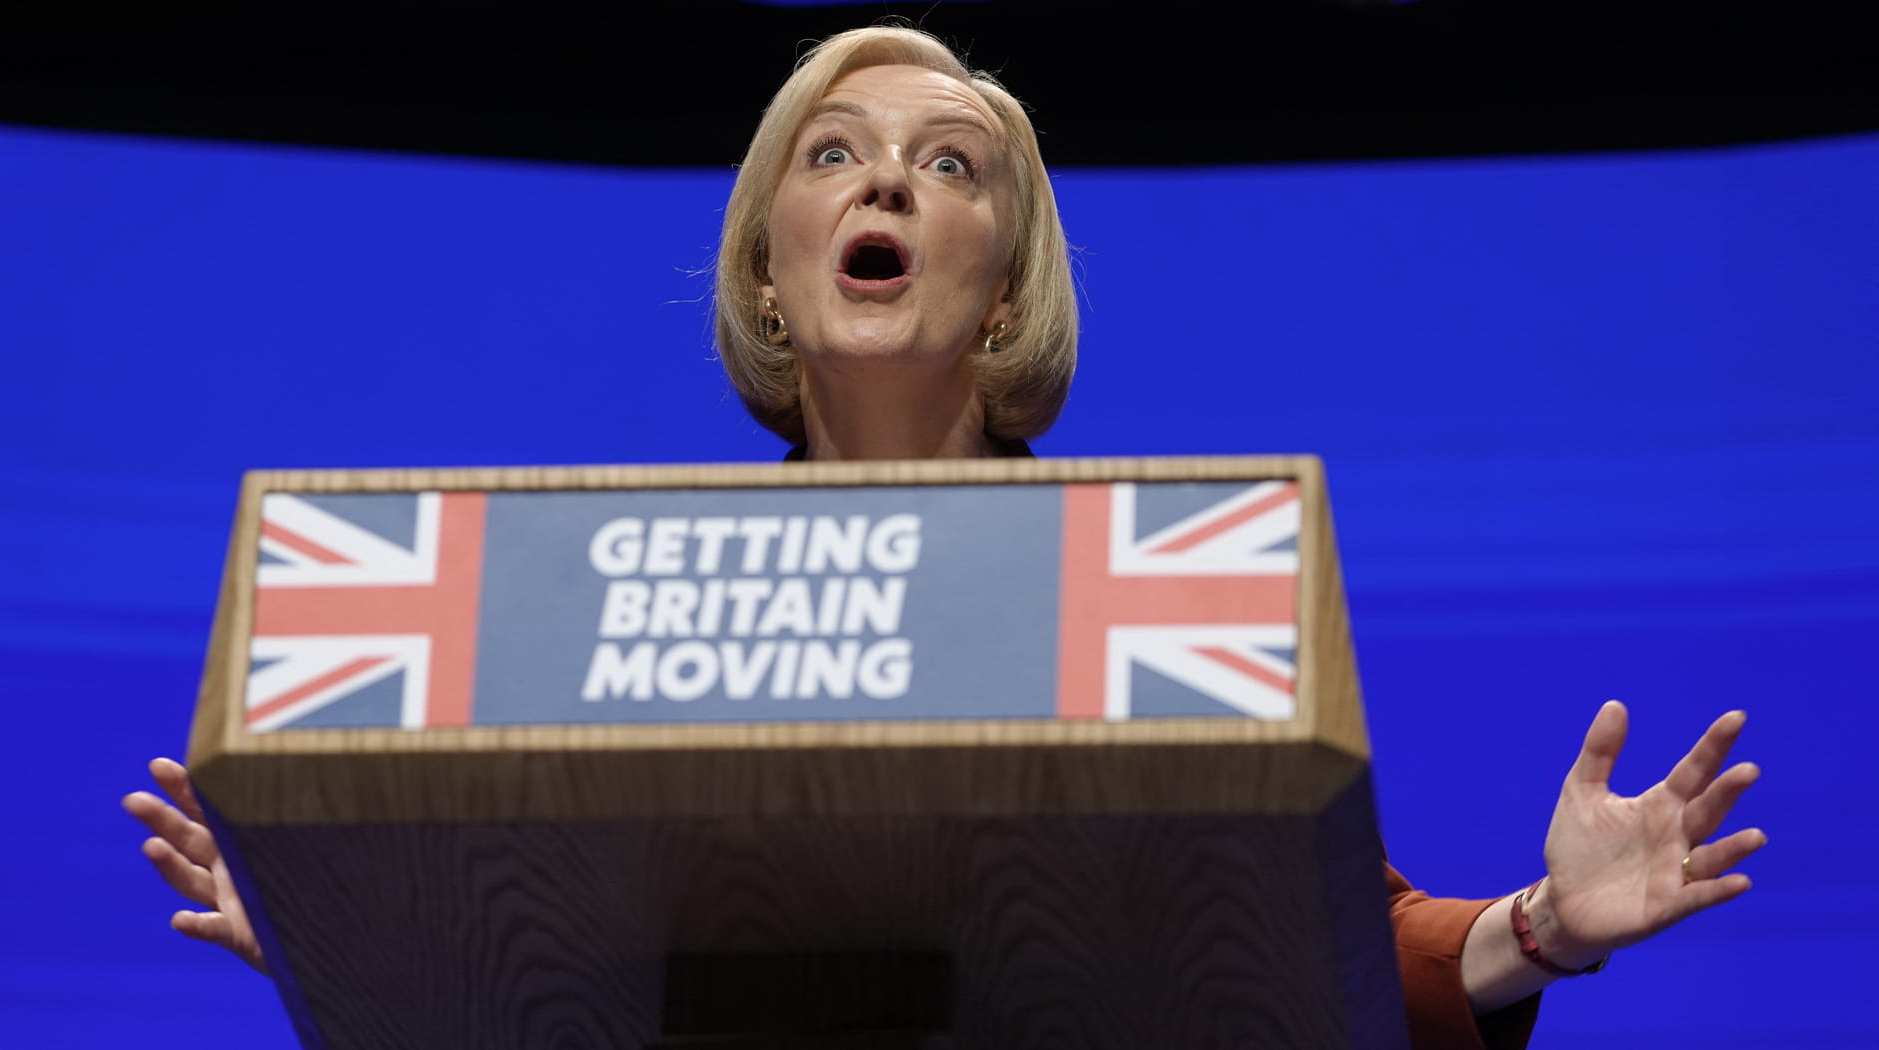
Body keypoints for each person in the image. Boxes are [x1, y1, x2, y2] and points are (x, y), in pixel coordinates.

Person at [122, 25, 1767, 1050]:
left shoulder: (1133, 586)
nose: (886, 185)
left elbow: (1324, 933)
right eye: (834, 156)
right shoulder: (623, 599)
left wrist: (1542, 928)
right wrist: (357, 931)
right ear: (771, 272)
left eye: (947, 165)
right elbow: (543, 958)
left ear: (1004, 288)